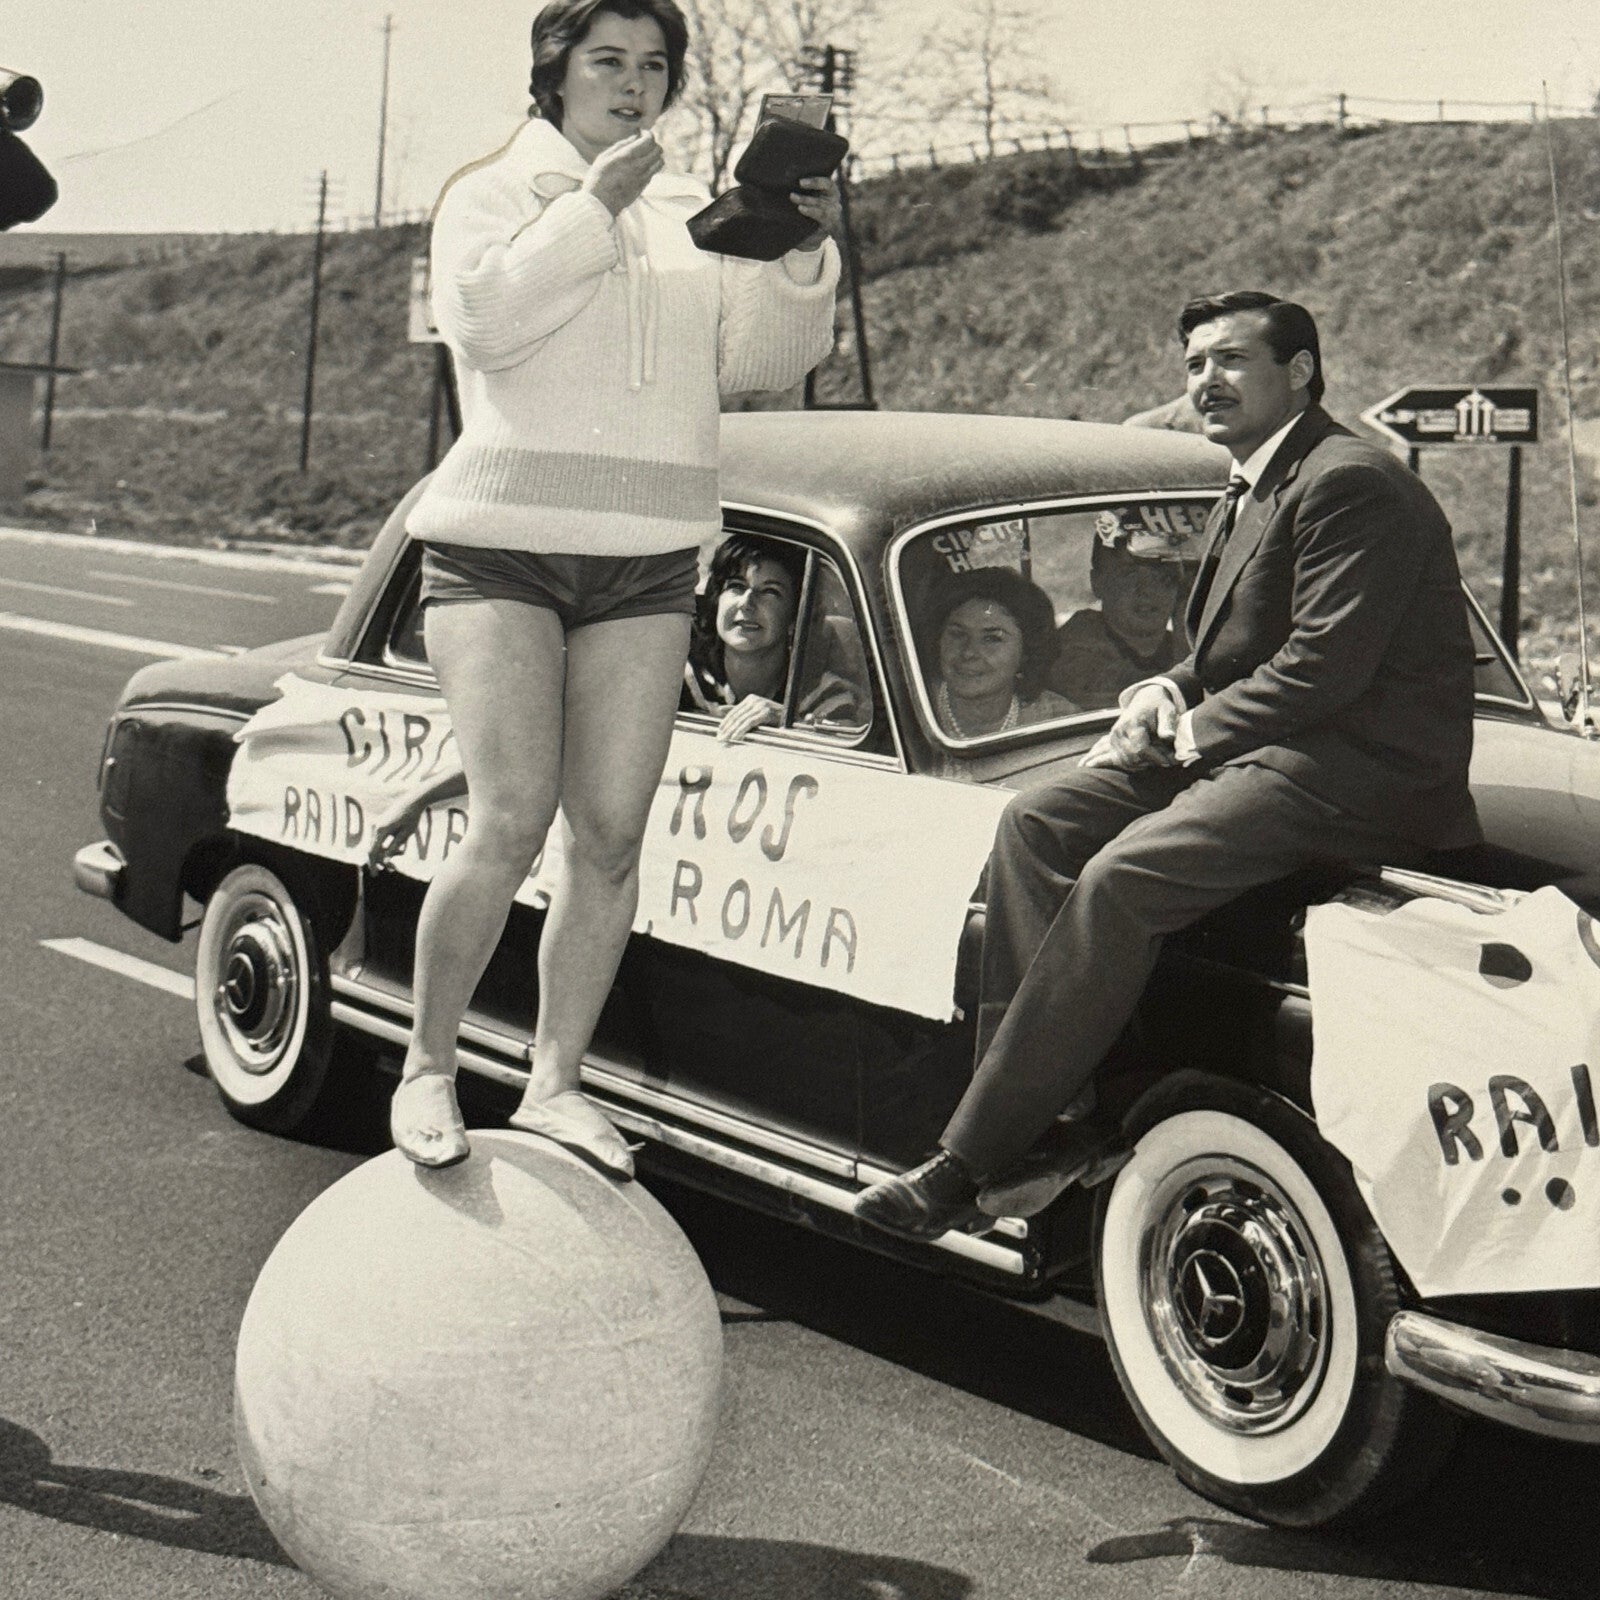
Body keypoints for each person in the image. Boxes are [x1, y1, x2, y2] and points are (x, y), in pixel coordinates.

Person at [855, 290, 1481, 1237]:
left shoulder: (1353, 481)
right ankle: (1052, 1125)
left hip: (1360, 771)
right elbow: (1237, 653)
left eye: (1230, 360)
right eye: (1194, 366)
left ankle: (969, 1160)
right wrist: (1168, 693)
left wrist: (1190, 732)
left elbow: (1323, 667)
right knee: (1035, 822)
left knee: (1121, 877)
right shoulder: (1258, 476)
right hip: (1276, 746)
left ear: (1300, 371)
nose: (1206, 382)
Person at [384, 0, 841, 1172]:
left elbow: (759, 362)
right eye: (608, 62)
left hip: (645, 554)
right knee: (509, 815)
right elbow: (483, 325)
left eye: (654, 66)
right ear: (555, 75)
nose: (633, 85)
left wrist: (791, 245)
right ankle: (428, 1066)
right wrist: (595, 209)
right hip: (501, 550)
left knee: (611, 834)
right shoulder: (492, 193)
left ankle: (551, 1082)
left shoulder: (693, 212)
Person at [1048, 510, 1194, 710]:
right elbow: (1140, 702)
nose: (1147, 590)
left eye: (1162, 576)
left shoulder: (1177, 645)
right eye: (1129, 574)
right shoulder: (1073, 647)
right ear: (1098, 583)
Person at [922, 567, 1078, 741]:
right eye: (957, 634)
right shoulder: (911, 712)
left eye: (992, 639)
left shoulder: (1058, 720)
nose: (968, 652)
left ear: (1027, 651)